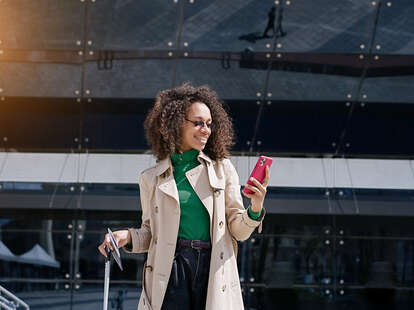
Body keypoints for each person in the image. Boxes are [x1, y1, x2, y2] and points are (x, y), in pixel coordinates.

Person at [98, 83, 269, 310]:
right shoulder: (151, 178)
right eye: (198, 123)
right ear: (176, 123)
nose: (206, 130)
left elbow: (237, 231)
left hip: (213, 269)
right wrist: (125, 237)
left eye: (209, 124)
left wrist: (255, 208)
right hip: (171, 268)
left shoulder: (222, 169)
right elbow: (152, 234)